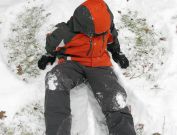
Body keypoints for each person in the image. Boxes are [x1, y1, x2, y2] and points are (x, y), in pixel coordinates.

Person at [38, 0, 136, 135]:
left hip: (100, 65)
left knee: (114, 97)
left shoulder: (106, 26)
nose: (101, 35)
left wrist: (116, 52)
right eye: (97, 34)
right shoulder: (66, 32)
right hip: (73, 63)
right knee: (54, 79)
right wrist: (49, 54)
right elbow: (52, 42)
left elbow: (112, 38)